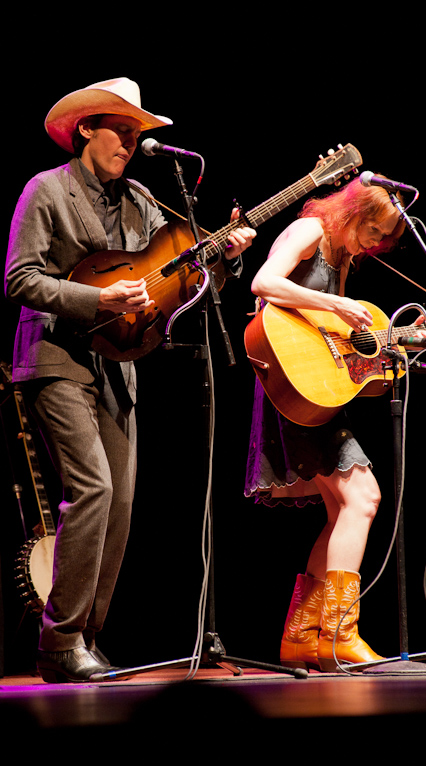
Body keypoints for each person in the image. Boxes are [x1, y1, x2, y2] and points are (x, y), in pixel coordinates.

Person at [4, 77, 256, 683]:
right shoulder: (47, 190)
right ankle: (58, 640)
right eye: (120, 128)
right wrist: (96, 296)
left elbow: (177, 285)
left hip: (119, 367)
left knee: (119, 501)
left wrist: (223, 258)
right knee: (90, 489)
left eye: (136, 130)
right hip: (55, 356)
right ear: (86, 128)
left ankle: (85, 639)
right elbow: (19, 279)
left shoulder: (143, 198)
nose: (130, 139)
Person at [244, 177, 425, 671]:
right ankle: (340, 633)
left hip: (318, 394)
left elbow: (337, 343)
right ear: (352, 214)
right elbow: (263, 284)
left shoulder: (343, 257)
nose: (374, 243)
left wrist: (395, 345)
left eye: (382, 237)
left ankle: (303, 638)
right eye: (371, 230)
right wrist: (336, 303)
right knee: (363, 499)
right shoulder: (309, 231)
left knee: (345, 507)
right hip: (290, 388)